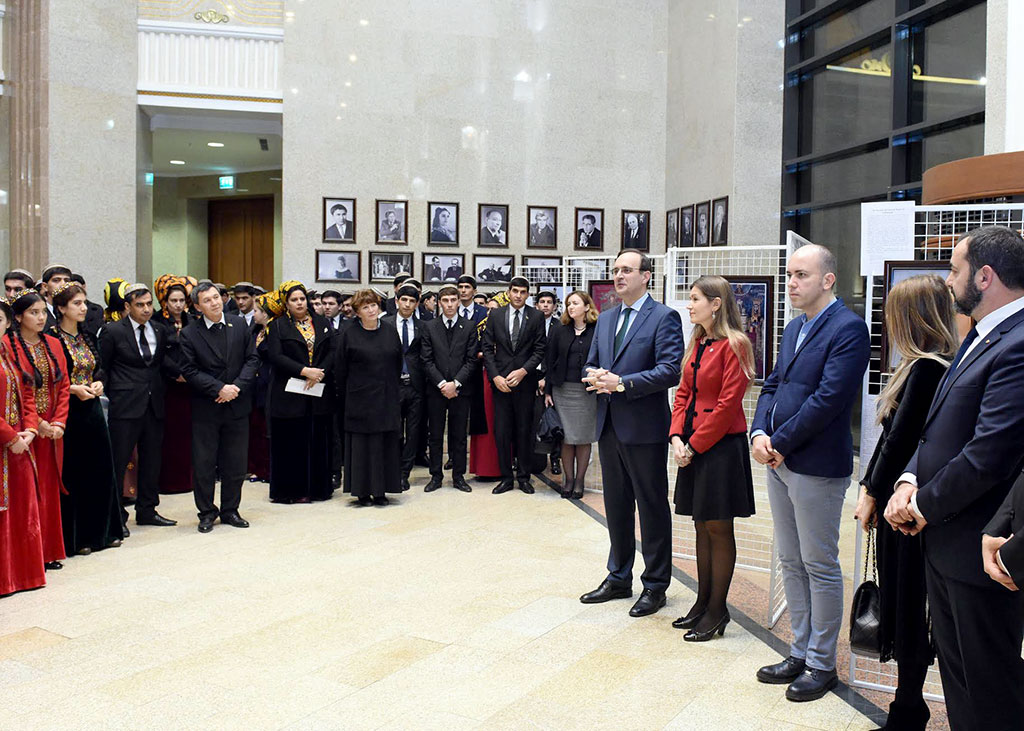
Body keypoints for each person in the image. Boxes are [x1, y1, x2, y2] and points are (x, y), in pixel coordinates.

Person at [882, 226, 1024, 729]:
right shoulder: (979, 334)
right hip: (944, 541)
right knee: (961, 683)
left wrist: (921, 505)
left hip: (981, 546)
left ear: (985, 276)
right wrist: (906, 481)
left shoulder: (1017, 342)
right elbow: (936, 430)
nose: (947, 280)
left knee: (990, 688)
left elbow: (990, 452)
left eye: (955, 270)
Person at [751, 244, 869, 702]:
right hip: (779, 461)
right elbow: (774, 383)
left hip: (815, 466)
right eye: (789, 275)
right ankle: (799, 651)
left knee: (819, 565)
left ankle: (823, 664)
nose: (792, 283)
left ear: (828, 280)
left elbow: (829, 399)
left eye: (801, 275)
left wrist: (778, 443)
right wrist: (759, 431)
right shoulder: (794, 326)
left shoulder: (849, 328)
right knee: (791, 561)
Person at [853, 275, 956, 730]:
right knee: (906, 604)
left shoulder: (928, 368)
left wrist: (872, 492)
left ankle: (908, 709)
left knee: (911, 606)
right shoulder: (924, 365)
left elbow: (899, 441)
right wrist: (870, 486)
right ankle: (906, 703)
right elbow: (889, 441)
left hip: (908, 511)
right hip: (901, 504)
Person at [579, 249, 683, 617]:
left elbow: (671, 370)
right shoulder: (605, 319)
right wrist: (594, 376)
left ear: (646, 277)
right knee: (616, 505)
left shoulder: (664, 318)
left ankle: (655, 585)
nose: (619, 276)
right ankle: (619, 576)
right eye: (616, 270)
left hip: (644, 428)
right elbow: (591, 361)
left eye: (627, 270)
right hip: (608, 425)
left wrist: (622, 383)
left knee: (651, 506)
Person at [668, 276, 756, 641]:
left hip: (719, 448)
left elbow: (727, 405)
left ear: (716, 303)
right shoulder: (698, 341)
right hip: (691, 444)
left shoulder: (735, 344)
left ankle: (718, 610)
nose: (689, 305)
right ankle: (702, 602)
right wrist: (675, 436)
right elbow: (683, 394)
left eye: (694, 299)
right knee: (701, 525)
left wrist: (693, 445)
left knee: (719, 527)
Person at [179, 281, 260, 533]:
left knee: (235, 462)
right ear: (197, 306)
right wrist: (218, 388)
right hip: (207, 407)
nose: (214, 302)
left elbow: (252, 359)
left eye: (216, 297)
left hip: (237, 405)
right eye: (207, 300)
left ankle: (230, 510)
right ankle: (206, 512)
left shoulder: (239, 326)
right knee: (204, 463)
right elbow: (189, 370)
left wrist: (235, 387)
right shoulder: (189, 333)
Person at [51, 282, 123, 557]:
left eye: (84, 302)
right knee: (76, 472)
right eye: (76, 304)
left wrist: (98, 384)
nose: (83, 308)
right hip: (69, 412)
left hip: (91, 410)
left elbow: (98, 368)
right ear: (61, 308)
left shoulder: (86, 336)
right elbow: (50, 382)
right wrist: (72, 389)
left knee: (101, 469)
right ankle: (78, 537)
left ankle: (103, 532)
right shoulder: (53, 339)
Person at [99, 283, 178, 533]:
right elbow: (105, 366)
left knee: (152, 459)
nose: (146, 310)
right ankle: (115, 515)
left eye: (148, 304)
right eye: (140, 305)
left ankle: (147, 509)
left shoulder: (159, 329)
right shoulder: (113, 331)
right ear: (127, 306)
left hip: (154, 403)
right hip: (125, 405)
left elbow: (161, 364)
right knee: (119, 461)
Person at [8, 290, 70, 570]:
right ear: (18, 317)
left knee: (48, 488)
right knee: (28, 492)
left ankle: (48, 551)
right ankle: (29, 555)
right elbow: (21, 391)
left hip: (51, 429)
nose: (41, 317)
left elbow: (65, 385)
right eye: (34, 312)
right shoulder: (9, 345)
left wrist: (58, 422)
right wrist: (37, 425)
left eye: (43, 312)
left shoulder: (54, 344)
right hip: (24, 427)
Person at [265, 281, 334, 504]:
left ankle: (317, 489)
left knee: (316, 440)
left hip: (318, 389)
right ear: (286, 303)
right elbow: (275, 356)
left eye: (302, 299)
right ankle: (290, 491)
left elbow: (333, 350)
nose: (299, 303)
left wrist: (319, 372)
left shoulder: (323, 322)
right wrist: (304, 371)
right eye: (294, 300)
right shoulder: (277, 326)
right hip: (289, 392)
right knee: (290, 442)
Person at [334, 289, 403, 505]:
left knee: (384, 445)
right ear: (357, 312)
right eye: (365, 307)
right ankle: (362, 492)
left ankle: (382, 490)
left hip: (386, 396)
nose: (371, 310)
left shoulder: (390, 331)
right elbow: (340, 368)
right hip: (359, 398)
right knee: (362, 446)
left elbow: (397, 361)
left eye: (373, 305)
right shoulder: (348, 333)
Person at [482, 276, 546, 494]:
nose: (518, 295)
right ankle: (506, 477)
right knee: (502, 431)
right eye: (515, 291)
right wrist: (495, 377)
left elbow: (539, 350)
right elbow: (487, 348)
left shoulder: (536, 316)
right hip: (501, 384)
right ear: (508, 292)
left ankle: (524, 477)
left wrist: (523, 371)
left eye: (523, 292)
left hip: (525, 383)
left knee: (524, 431)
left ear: (528, 294)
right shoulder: (496, 315)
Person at [0, 298, 46, 597]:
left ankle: (24, 575)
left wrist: (29, 429)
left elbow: (26, 393)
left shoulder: (9, 353)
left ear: (7, 323)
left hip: (20, 445)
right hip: (6, 444)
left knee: (22, 512)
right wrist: (9, 436)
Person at [420, 285, 478, 493]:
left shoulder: (469, 326)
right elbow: (425, 360)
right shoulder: (429, 326)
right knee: (435, 435)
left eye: (454, 300)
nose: (450, 304)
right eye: (446, 301)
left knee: (459, 435)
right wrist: (443, 384)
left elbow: (472, 360)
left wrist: (456, 383)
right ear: (439, 302)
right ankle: (436, 476)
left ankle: (459, 476)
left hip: (461, 390)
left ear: (459, 301)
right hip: (436, 390)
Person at [544, 291, 597, 499]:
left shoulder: (596, 330)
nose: (570, 307)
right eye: (568, 304)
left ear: (586, 307)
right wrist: (547, 390)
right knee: (567, 438)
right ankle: (568, 479)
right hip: (563, 390)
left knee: (583, 438)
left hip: (587, 392)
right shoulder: (560, 330)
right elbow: (550, 360)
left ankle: (579, 481)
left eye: (575, 303)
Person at [382, 284, 426, 491]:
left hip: (416, 386)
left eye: (412, 301)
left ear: (417, 304)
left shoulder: (424, 326)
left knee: (414, 431)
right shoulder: (384, 323)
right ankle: (391, 468)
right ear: (397, 301)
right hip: (392, 385)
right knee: (394, 430)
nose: (407, 304)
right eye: (404, 300)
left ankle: (404, 473)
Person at [153, 276, 194, 495]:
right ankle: (169, 482)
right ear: (165, 301)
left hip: (190, 384)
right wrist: (176, 373)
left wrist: (190, 373)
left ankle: (188, 479)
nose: (178, 305)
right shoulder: (158, 322)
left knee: (188, 434)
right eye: (173, 300)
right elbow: (159, 354)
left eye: (181, 300)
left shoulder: (192, 320)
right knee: (170, 434)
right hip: (168, 384)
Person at [534, 290, 562, 475]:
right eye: (542, 301)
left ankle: (555, 460)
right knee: (534, 420)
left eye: (549, 302)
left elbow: (557, 357)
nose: (545, 305)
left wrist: (547, 379)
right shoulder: (530, 323)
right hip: (531, 379)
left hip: (552, 379)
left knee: (554, 421)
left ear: (554, 306)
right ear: (536, 304)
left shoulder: (560, 326)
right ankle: (535, 460)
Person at [39, 263, 73, 330]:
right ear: (45, 286)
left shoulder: (76, 311)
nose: (63, 284)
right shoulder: (39, 312)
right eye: (56, 280)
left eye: (67, 281)